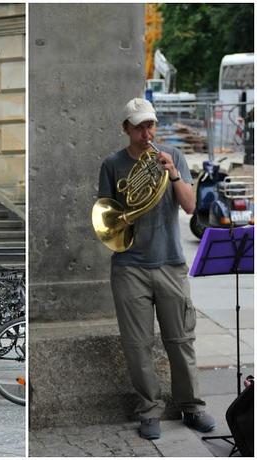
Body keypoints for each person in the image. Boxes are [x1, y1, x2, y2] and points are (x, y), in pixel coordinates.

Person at [98, 98, 216, 440]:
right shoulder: (112, 164)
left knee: (181, 340)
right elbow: (107, 218)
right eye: (139, 127)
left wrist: (174, 174)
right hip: (129, 266)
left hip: (170, 264)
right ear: (126, 129)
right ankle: (149, 409)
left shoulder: (173, 157)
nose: (146, 133)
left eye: (151, 125)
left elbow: (191, 206)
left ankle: (191, 407)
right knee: (137, 345)